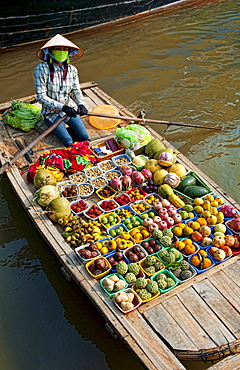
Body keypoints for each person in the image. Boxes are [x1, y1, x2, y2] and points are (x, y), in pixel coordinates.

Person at [34, 34, 89, 147]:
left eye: (65, 49)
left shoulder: (72, 70)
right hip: (51, 113)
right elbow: (41, 96)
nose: (62, 51)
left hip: (69, 111)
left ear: (69, 52)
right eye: (58, 49)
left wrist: (81, 104)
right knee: (68, 142)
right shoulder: (42, 69)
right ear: (50, 51)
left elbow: (76, 91)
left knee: (84, 137)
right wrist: (62, 107)